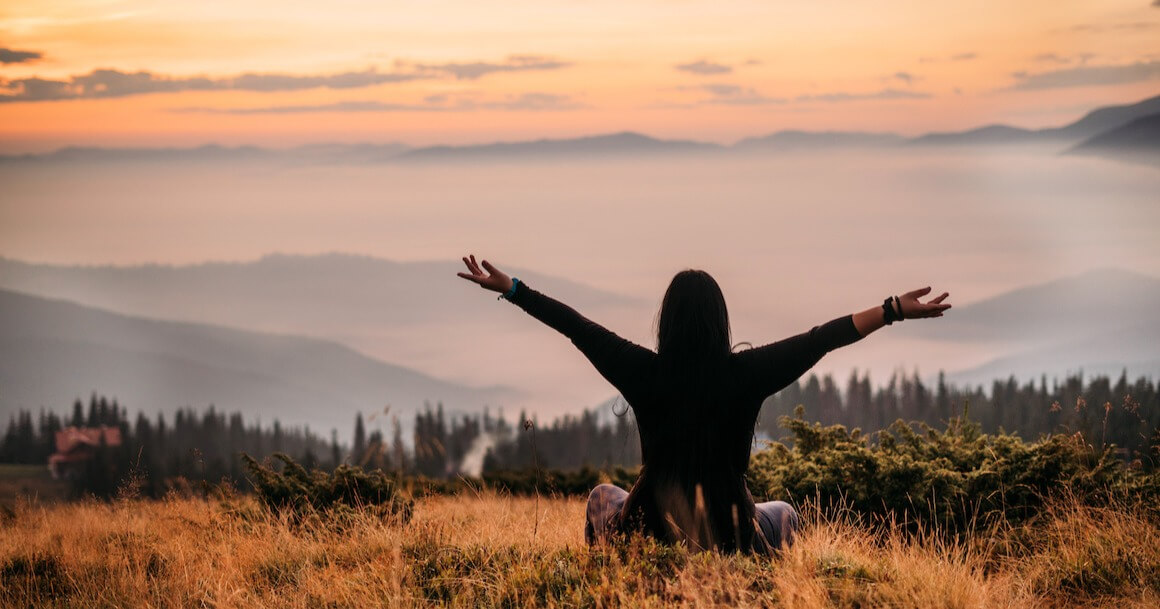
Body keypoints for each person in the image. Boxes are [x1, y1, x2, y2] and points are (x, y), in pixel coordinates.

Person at [457, 254, 950, 554]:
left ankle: (610, 581)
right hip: (734, 532)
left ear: (665, 321)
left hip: (645, 528)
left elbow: (574, 324)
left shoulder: (641, 369)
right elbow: (822, 338)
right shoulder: (747, 373)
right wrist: (892, 311)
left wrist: (513, 289)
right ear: (721, 320)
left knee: (600, 497)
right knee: (787, 514)